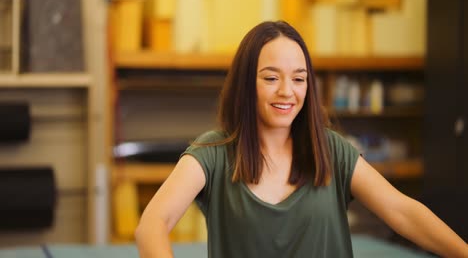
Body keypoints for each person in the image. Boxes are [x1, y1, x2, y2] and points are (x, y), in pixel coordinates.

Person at [135, 21, 468, 258]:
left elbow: (402, 212)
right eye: (270, 78)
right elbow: (153, 223)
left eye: (298, 78)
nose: (287, 91)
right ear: (245, 83)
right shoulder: (213, 153)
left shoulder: (331, 149)